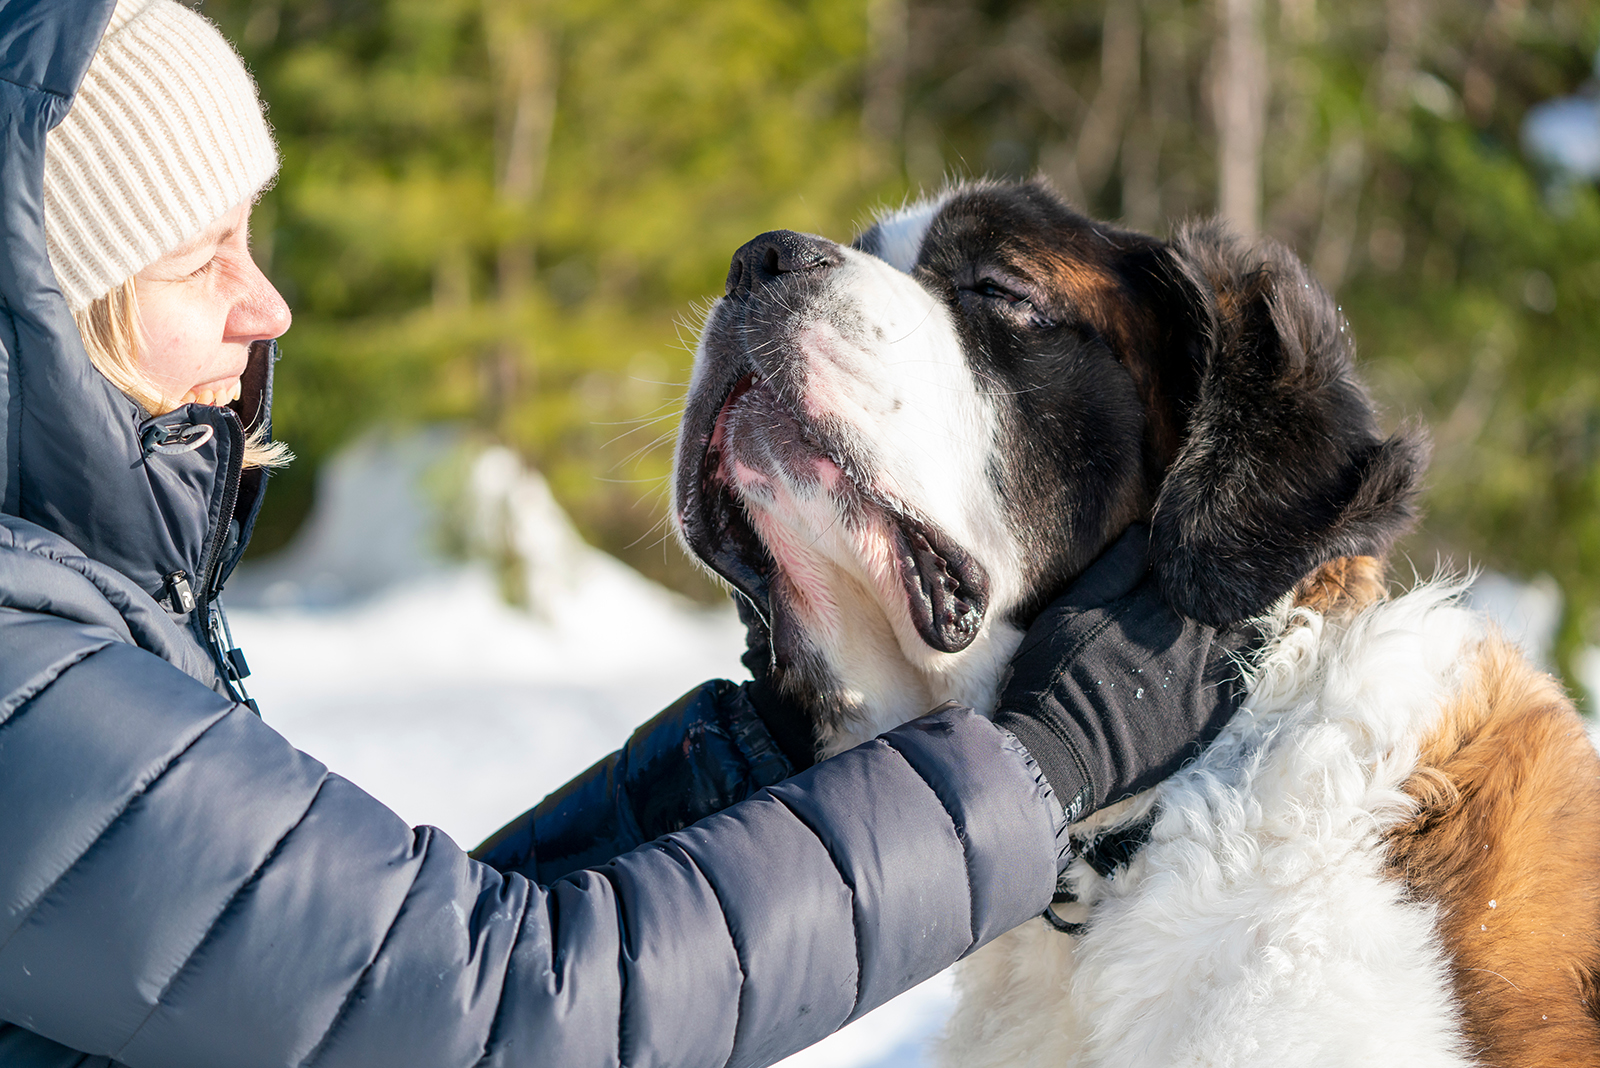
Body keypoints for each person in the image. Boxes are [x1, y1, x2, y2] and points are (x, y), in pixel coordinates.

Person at [0, 1, 1256, 1065]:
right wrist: (1032, 771)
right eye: (198, 257)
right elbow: (491, 1011)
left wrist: (768, 760)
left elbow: (348, 995)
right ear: (46, 315)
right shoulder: (23, 681)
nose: (265, 303)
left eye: (250, 236)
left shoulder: (73, 631)